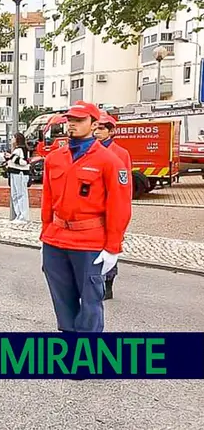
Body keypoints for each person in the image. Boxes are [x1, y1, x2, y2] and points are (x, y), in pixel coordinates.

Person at [41, 101, 131, 333]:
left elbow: (119, 206)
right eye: (70, 120)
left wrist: (113, 247)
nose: (72, 124)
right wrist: (45, 234)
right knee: (62, 300)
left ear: (94, 124)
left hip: (89, 240)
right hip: (57, 239)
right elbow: (47, 200)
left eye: (79, 120)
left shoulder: (110, 161)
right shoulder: (54, 158)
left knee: (90, 304)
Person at [94, 113, 132, 300]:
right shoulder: (89, 150)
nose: (97, 131)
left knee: (111, 244)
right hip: (93, 208)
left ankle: (109, 283)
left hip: (111, 207)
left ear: (111, 131)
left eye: (102, 128)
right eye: (96, 127)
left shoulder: (120, 154)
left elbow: (124, 186)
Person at [5, 132, 31, 223]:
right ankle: (18, 215)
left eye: (13, 137)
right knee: (15, 195)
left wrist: (12, 157)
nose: (12, 139)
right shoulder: (16, 150)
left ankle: (23, 216)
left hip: (20, 174)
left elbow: (24, 162)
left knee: (21, 195)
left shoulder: (22, 149)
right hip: (13, 173)